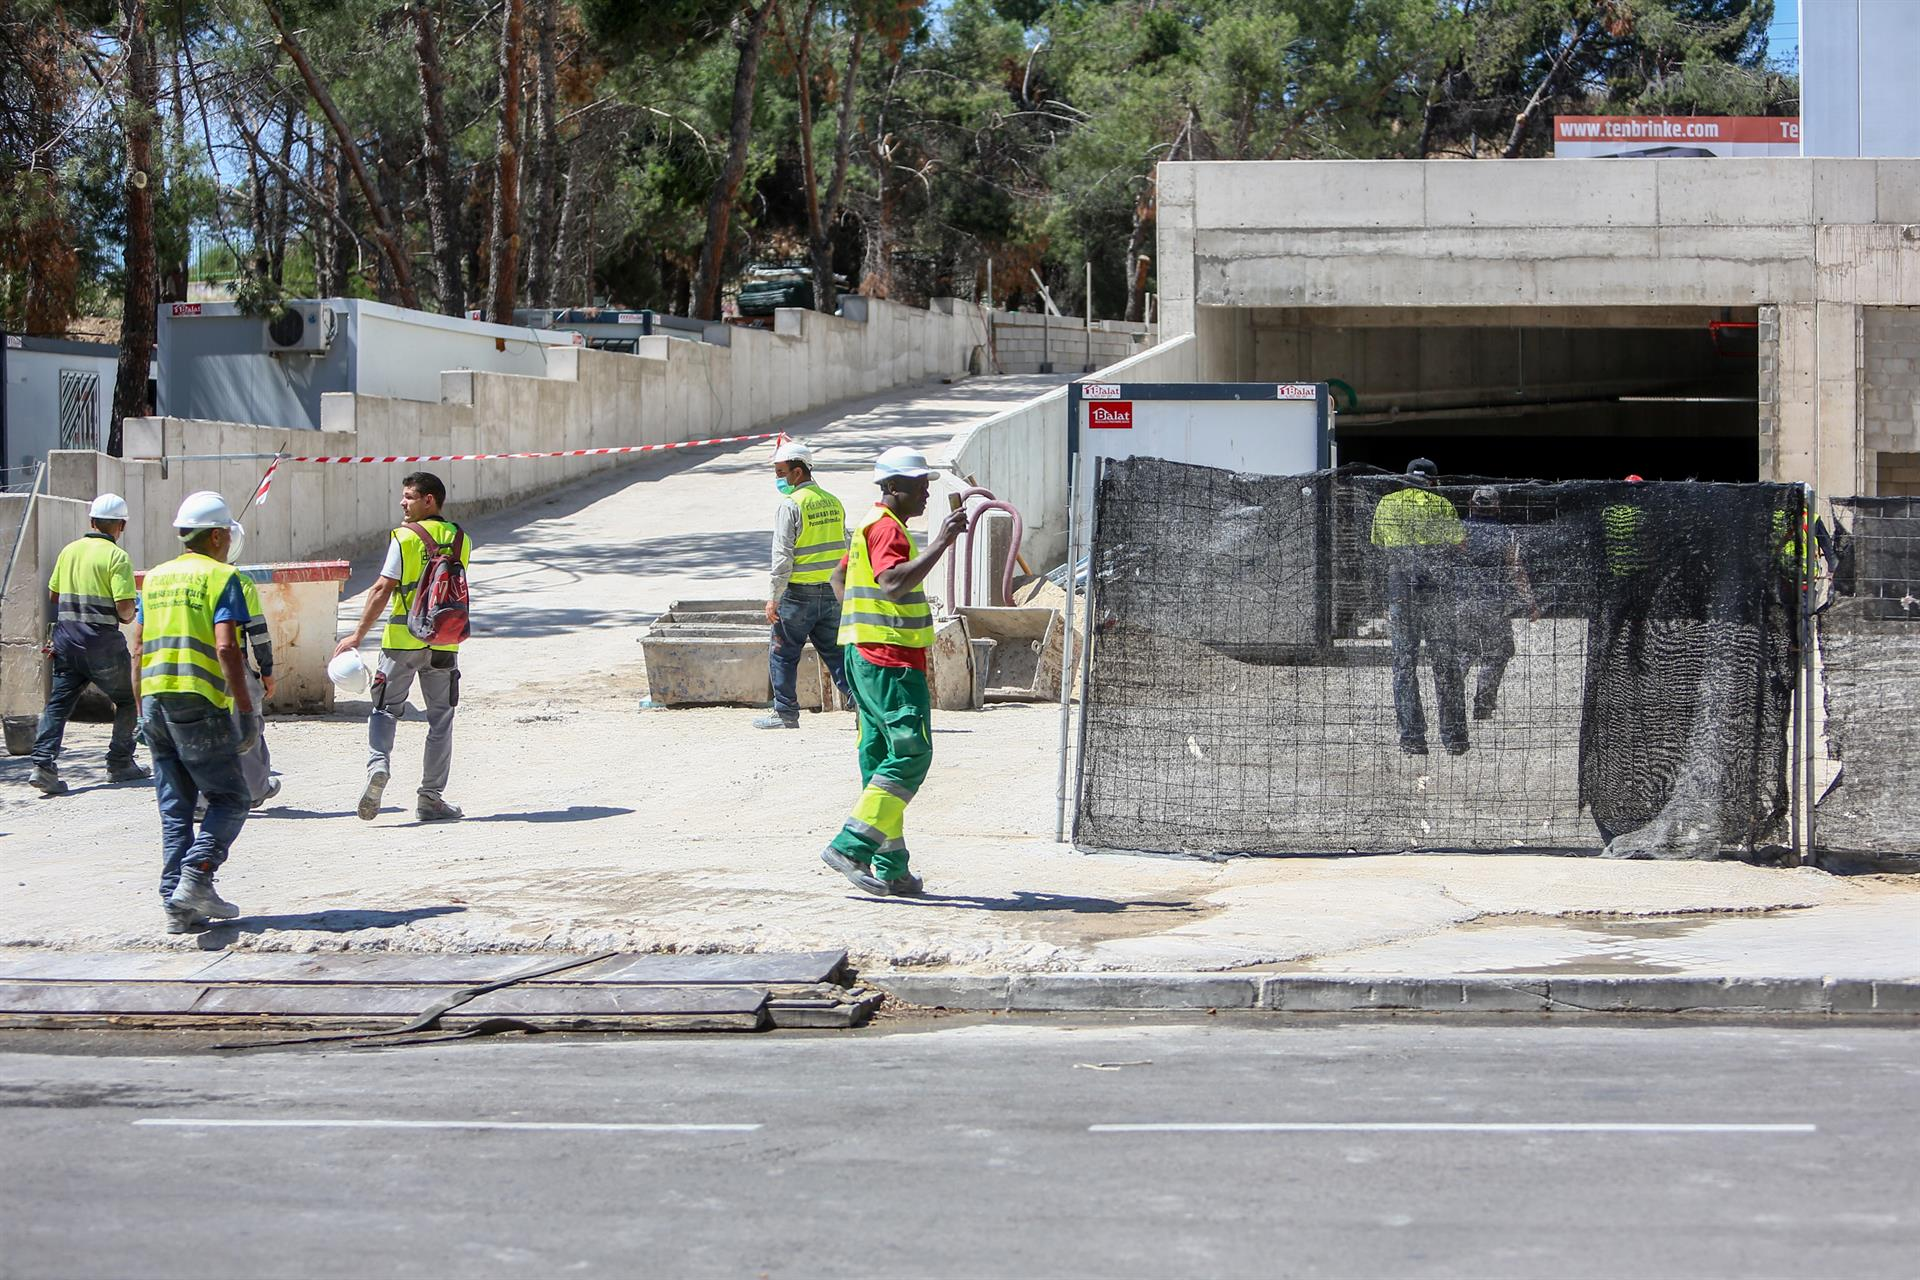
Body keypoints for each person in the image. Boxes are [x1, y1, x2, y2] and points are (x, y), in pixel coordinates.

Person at [820, 445, 969, 896]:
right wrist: (942, 541)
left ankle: (891, 867)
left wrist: (861, 622)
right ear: (892, 488)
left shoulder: (869, 525)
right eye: (919, 487)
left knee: (879, 757)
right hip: (890, 661)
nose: (926, 495)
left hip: (863, 655)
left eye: (927, 486)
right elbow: (893, 583)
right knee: (911, 752)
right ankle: (851, 847)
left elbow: (839, 579)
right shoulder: (888, 531)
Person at [135, 491, 259, 934]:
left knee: (175, 808)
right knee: (231, 798)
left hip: (153, 699)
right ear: (219, 536)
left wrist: (139, 708)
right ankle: (197, 876)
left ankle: (176, 906)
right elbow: (226, 645)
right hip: (198, 701)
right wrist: (246, 710)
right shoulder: (221, 577)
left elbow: (138, 646)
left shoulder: (154, 579)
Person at [331, 471, 469, 823]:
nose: (403, 503)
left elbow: (381, 588)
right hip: (444, 640)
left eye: (409, 496)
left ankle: (378, 767)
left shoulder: (405, 537)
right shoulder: (459, 539)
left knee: (384, 710)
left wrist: (357, 636)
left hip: (401, 640)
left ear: (430, 500)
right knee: (441, 719)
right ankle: (431, 797)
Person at [28, 493, 148, 795]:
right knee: (126, 698)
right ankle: (120, 761)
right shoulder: (117, 557)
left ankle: (42, 765)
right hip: (102, 644)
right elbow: (123, 608)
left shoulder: (69, 551)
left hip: (66, 641)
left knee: (58, 705)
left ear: (92, 522)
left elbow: (55, 595)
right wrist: (132, 611)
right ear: (121, 526)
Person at [1369, 458, 1468, 755]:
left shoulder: (1387, 503)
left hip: (1401, 590)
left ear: (1405, 479)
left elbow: (1379, 544)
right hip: (1436, 591)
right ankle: (1453, 739)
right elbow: (1460, 545)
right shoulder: (1441, 505)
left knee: (1403, 666)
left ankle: (1412, 739)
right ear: (1434, 482)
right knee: (1446, 664)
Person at [755, 437, 853, 728]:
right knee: (837, 654)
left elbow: (782, 557)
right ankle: (863, 703)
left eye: (781, 473)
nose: (779, 480)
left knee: (783, 653)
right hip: (831, 594)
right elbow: (846, 545)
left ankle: (785, 713)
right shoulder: (833, 502)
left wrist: (774, 596)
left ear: (798, 472)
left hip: (798, 595)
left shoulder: (791, 505)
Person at [1459, 487, 1540, 721]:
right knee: (1498, 653)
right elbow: (1516, 570)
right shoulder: (1506, 534)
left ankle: (1451, 703)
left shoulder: (1459, 530)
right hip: (1493, 603)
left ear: (1471, 503)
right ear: (1497, 506)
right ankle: (1483, 706)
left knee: (1463, 652)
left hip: (1461, 601)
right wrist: (1531, 602)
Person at [225, 521, 282, 809]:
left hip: (185, 666)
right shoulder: (239, 582)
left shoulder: (173, 576)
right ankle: (256, 788)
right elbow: (257, 633)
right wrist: (267, 671)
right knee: (248, 724)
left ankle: (197, 800)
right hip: (230, 664)